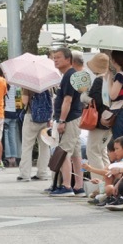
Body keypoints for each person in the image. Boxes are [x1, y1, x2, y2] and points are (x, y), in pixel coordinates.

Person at [49, 47, 85, 196]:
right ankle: (78, 186)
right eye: (54, 57)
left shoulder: (69, 76)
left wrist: (62, 120)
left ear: (68, 59)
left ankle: (66, 186)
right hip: (75, 118)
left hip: (69, 119)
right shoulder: (71, 75)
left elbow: (67, 100)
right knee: (76, 154)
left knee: (64, 151)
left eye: (58, 57)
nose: (55, 60)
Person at [18, 82, 54, 182]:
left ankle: (25, 174)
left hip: (31, 117)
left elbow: (25, 101)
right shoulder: (49, 84)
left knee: (27, 146)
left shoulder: (29, 84)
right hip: (45, 119)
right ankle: (42, 173)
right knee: (45, 146)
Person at [84, 53, 114, 174]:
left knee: (92, 150)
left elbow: (95, 100)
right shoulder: (110, 78)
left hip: (99, 121)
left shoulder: (98, 80)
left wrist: (85, 97)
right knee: (102, 151)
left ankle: (99, 182)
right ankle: (109, 179)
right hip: (110, 119)